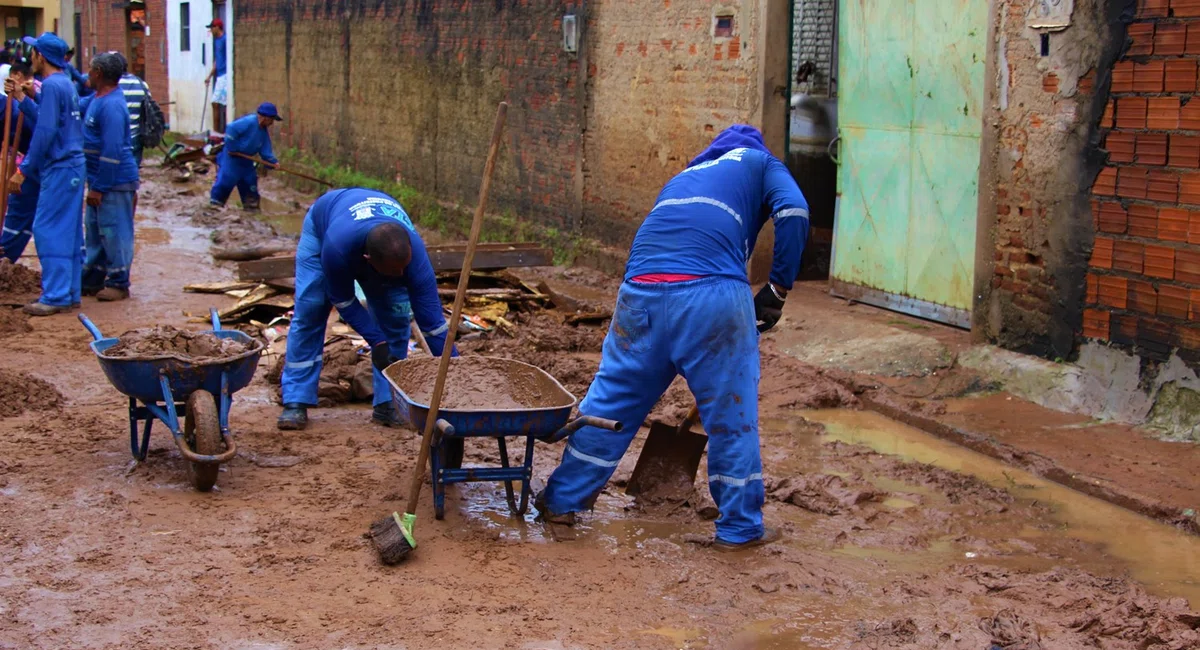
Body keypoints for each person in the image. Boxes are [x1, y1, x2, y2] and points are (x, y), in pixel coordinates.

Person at [536, 125, 809, 551]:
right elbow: (793, 212)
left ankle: (560, 502)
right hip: (711, 295)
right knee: (732, 419)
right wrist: (777, 287)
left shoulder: (682, 178)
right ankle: (738, 529)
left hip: (639, 294)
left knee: (612, 402)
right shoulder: (759, 162)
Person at [277, 188, 455, 430]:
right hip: (325, 221)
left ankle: (387, 404)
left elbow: (433, 324)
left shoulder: (414, 257)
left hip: (374, 238)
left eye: (405, 269)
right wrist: (376, 341)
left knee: (394, 317)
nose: (402, 276)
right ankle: (295, 399)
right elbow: (342, 300)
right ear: (367, 259)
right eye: (395, 272)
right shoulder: (336, 250)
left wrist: (456, 370)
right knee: (312, 308)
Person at [8, 33, 85, 317]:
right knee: (69, 231)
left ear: (42, 56)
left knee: (47, 229)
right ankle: (70, 292)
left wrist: (24, 169)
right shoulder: (64, 83)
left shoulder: (52, 86)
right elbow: (48, 118)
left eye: (34, 52)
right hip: (73, 165)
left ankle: (55, 295)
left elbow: (45, 131)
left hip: (60, 165)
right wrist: (24, 98)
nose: (31, 58)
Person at [79, 52, 139, 302]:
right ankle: (93, 278)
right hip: (99, 180)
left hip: (114, 182)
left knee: (114, 231)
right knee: (94, 230)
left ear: (99, 73)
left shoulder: (112, 105)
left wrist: (99, 187)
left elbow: (112, 151)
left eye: (90, 70)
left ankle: (119, 281)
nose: (87, 74)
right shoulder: (96, 98)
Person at [209, 102, 281, 210]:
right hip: (232, 159)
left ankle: (251, 209)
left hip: (247, 161)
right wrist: (232, 147)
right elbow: (231, 129)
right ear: (265, 118)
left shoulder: (263, 131)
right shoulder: (249, 122)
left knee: (250, 185)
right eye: (271, 119)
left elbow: (265, 149)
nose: (272, 123)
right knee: (226, 181)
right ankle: (215, 206)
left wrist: (272, 162)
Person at [0, 63, 38, 262]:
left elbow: (43, 136)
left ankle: (5, 255)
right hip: (32, 159)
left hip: (39, 163)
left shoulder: (13, 107)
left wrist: (22, 170)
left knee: (21, 207)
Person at [112, 51, 149, 166]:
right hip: (137, 136)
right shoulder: (142, 84)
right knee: (133, 174)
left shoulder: (112, 85)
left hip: (118, 137)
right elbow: (148, 109)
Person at [205, 18, 228, 133]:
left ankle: (218, 131)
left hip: (225, 75)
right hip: (219, 75)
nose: (211, 30)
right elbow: (217, 60)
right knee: (217, 103)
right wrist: (210, 76)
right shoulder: (216, 41)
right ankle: (217, 131)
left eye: (212, 27)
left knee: (217, 103)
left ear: (217, 28)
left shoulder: (225, 40)